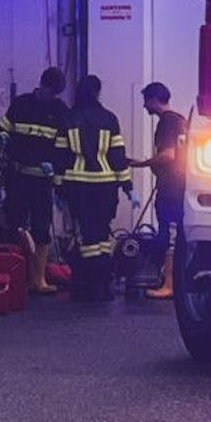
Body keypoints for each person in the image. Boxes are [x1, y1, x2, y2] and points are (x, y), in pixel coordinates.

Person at [53, 75, 136, 302]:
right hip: (106, 185)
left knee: (87, 234)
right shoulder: (110, 119)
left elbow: (61, 157)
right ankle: (104, 285)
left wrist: (58, 188)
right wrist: (128, 187)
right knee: (102, 233)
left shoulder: (68, 118)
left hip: (78, 186)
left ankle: (90, 285)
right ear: (98, 92)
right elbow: (118, 156)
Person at [0, 67, 70, 294]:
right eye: (51, 91)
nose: (53, 97)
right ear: (43, 85)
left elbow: (63, 145)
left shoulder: (59, 110)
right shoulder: (21, 104)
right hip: (17, 176)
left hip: (41, 181)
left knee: (41, 228)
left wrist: (56, 173)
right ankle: (13, 277)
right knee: (13, 224)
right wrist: (2, 139)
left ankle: (37, 280)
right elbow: (4, 129)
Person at [129, 82, 187, 300]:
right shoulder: (182, 121)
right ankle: (172, 280)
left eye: (146, 101)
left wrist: (143, 163)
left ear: (154, 99)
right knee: (175, 233)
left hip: (170, 188)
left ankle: (169, 285)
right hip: (180, 186)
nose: (145, 107)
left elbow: (169, 155)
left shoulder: (166, 123)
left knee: (168, 235)